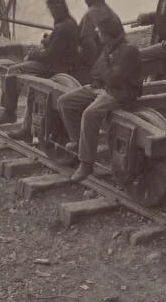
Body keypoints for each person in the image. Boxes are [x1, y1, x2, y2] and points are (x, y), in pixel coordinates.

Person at [58, 16, 143, 181]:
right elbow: (95, 72)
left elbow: (114, 79)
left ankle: (86, 164)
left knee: (89, 114)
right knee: (64, 101)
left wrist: (104, 68)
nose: (99, 37)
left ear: (110, 35)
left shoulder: (128, 50)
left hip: (121, 93)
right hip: (103, 87)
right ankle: (77, 140)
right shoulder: (109, 47)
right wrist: (102, 75)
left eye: (102, 34)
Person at [0, 0, 80, 133]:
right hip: (63, 64)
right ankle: (26, 130)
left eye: (54, 8)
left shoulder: (63, 26)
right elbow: (57, 45)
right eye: (51, 8)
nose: (52, 12)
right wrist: (48, 40)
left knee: (13, 70)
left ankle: (9, 112)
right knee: (32, 91)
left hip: (55, 66)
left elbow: (50, 55)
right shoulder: (69, 22)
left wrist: (31, 56)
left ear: (60, 7)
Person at [77, 0, 122, 82]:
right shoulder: (110, 12)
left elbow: (87, 44)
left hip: (104, 65)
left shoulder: (91, 13)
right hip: (117, 60)